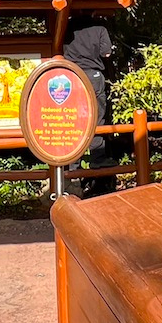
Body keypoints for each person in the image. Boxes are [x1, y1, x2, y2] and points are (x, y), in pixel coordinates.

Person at [63, 18, 117, 194]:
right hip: (93, 76)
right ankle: (97, 158)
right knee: (96, 118)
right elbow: (106, 53)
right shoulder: (100, 28)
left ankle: (72, 163)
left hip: (71, 75)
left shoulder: (67, 26)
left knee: (73, 118)